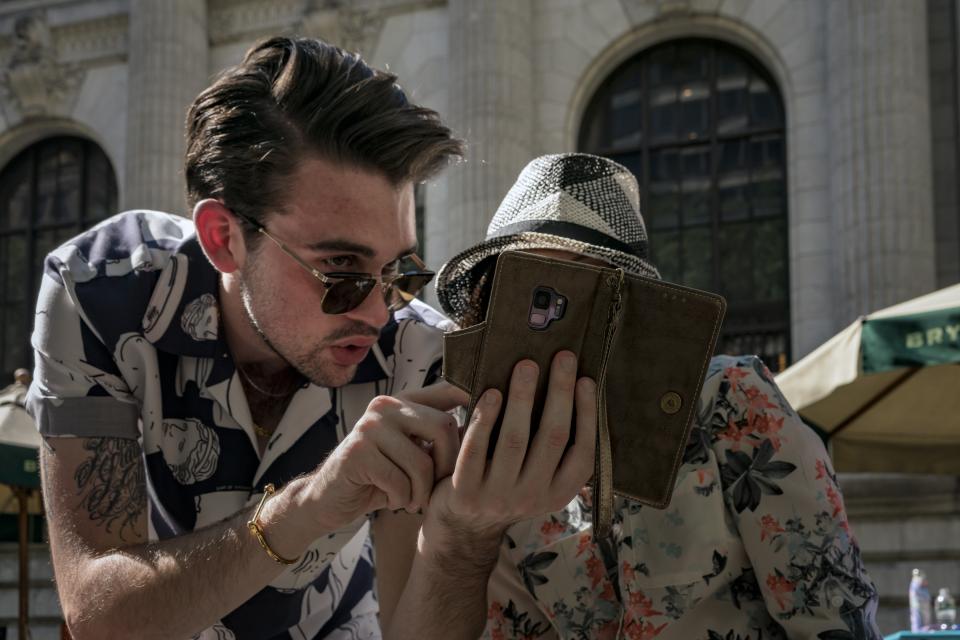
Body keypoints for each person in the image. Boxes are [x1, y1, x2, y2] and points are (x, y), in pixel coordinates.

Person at [28, 37, 594, 640]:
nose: (379, 312)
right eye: (343, 273)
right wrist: (309, 507)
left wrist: (462, 537)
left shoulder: (418, 355)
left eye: (401, 273)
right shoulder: (102, 291)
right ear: (224, 238)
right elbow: (96, 617)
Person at [422, 153, 883, 639]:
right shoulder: (493, 461)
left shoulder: (728, 399)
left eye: (584, 288)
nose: (553, 320)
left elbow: (832, 614)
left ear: (634, 304)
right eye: (531, 294)